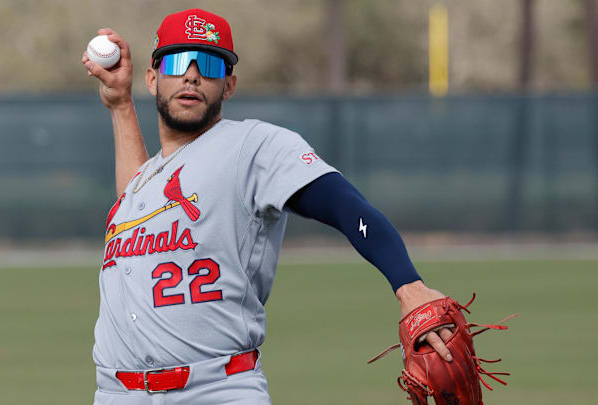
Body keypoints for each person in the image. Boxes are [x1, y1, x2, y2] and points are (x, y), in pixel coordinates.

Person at [82, 8, 453, 405]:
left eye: (208, 64)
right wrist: (120, 105)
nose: (191, 74)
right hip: (117, 394)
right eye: (177, 62)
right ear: (153, 79)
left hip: (213, 391)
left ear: (229, 85)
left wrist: (408, 285)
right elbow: (140, 202)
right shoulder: (148, 181)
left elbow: (345, 205)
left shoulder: (252, 147)